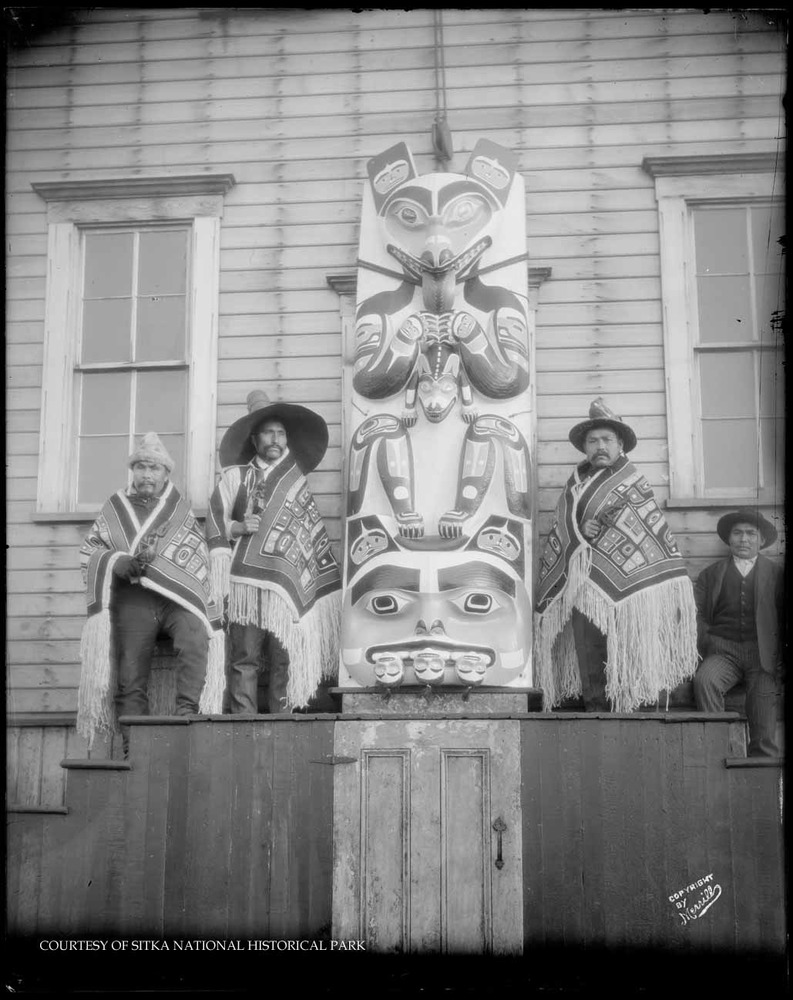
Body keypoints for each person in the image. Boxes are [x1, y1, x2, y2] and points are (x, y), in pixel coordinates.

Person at [534, 398, 698, 712]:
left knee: (627, 649)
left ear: (620, 444)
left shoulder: (633, 481)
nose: (600, 446)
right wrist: (582, 530)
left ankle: (631, 710)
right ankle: (596, 710)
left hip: (629, 588)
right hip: (583, 586)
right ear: (584, 447)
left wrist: (603, 531)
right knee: (589, 652)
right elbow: (561, 530)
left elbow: (644, 528)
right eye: (593, 441)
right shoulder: (574, 487)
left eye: (607, 440)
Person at [77, 433, 225, 749]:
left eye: (154, 468)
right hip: (133, 598)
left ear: (165, 474)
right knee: (130, 671)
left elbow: (196, 559)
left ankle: (186, 719)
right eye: (141, 467)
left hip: (175, 598)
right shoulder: (115, 506)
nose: (147, 474)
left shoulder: (178, 508)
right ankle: (135, 744)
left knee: (195, 635)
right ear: (133, 471)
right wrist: (117, 561)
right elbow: (90, 551)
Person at [207, 391, 342, 713]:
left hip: (286, 585)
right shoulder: (235, 478)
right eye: (268, 432)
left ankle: (282, 719)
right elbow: (213, 524)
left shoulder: (296, 482)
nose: (275, 439)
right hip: (245, 584)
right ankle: (244, 721)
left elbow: (309, 538)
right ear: (255, 440)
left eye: (281, 433)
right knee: (245, 657)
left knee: (285, 656)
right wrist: (238, 528)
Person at [693, 509, 784, 757]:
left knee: (763, 708)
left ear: (761, 540)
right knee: (705, 681)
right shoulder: (711, 575)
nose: (744, 539)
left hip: (762, 654)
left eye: (751, 534)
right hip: (724, 652)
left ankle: (762, 768)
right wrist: (708, 640)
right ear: (729, 539)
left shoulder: (777, 575)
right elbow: (697, 614)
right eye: (738, 533)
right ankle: (718, 751)